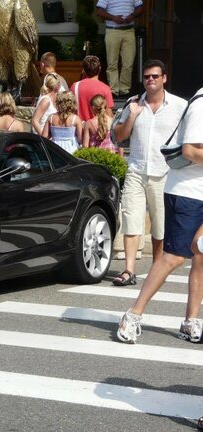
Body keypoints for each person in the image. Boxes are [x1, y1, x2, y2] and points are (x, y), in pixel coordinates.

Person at [116, 86, 203, 344]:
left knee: (201, 254)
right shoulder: (201, 103)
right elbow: (189, 150)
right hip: (188, 192)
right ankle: (133, 315)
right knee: (174, 256)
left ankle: (190, 321)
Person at [111, 59, 187, 287]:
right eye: (146, 77)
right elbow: (118, 136)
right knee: (132, 220)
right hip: (136, 169)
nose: (150, 80)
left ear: (164, 78)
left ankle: (156, 269)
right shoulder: (133, 104)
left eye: (155, 76)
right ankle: (129, 270)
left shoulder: (180, 106)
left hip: (164, 172)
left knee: (160, 226)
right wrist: (133, 115)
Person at [95, 0, 144, 98]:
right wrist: (113, 18)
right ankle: (113, 90)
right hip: (112, 31)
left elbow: (141, 8)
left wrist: (132, 16)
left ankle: (124, 90)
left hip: (129, 31)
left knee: (128, 63)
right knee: (112, 63)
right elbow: (98, 11)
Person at [70, 55, 114, 122]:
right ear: (100, 69)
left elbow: (70, 110)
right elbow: (109, 115)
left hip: (79, 128)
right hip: (97, 129)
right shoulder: (105, 88)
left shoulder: (75, 86)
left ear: (84, 70)